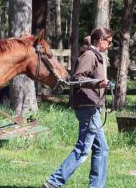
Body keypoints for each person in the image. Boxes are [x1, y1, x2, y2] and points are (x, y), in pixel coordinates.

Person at [44, 27, 113, 188]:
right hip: (87, 107)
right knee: (83, 149)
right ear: (100, 40)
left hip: (91, 106)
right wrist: (98, 83)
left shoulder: (96, 55)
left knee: (102, 149)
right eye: (108, 42)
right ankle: (54, 182)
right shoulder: (89, 55)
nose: (109, 45)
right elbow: (77, 78)